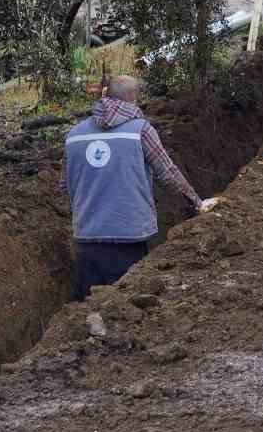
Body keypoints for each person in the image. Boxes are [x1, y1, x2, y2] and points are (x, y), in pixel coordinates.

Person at [63, 75, 216, 299]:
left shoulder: (74, 135)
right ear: (133, 99)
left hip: (87, 238)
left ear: (106, 96)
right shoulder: (140, 130)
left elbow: (65, 185)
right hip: (128, 238)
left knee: (87, 310)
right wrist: (197, 203)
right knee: (122, 305)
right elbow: (169, 173)